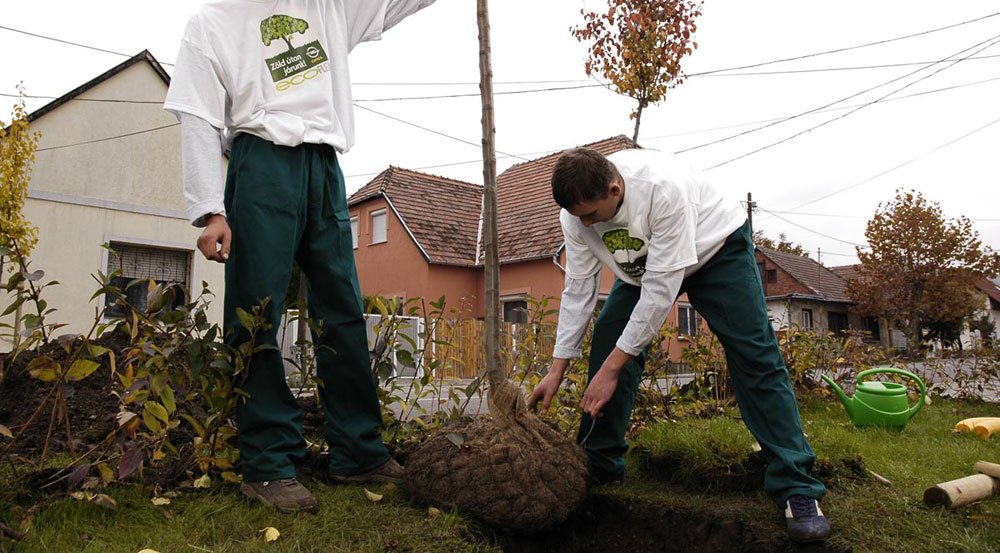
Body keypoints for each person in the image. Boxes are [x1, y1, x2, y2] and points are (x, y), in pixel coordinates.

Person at [163, 0, 437, 514]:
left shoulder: (324, 7)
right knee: (258, 308)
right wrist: (208, 209)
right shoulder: (213, 22)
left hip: (324, 167)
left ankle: (358, 450)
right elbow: (197, 114)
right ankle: (268, 461)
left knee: (343, 307)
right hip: (261, 159)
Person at [527, 147, 831, 543]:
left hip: (715, 249)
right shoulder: (575, 215)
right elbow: (579, 288)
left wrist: (613, 369)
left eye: (591, 214)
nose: (584, 223)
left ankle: (797, 487)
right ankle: (600, 463)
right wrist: (557, 368)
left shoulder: (662, 189)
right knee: (609, 341)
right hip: (646, 266)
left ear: (615, 188)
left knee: (755, 355)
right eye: (577, 215)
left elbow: (660, 292)